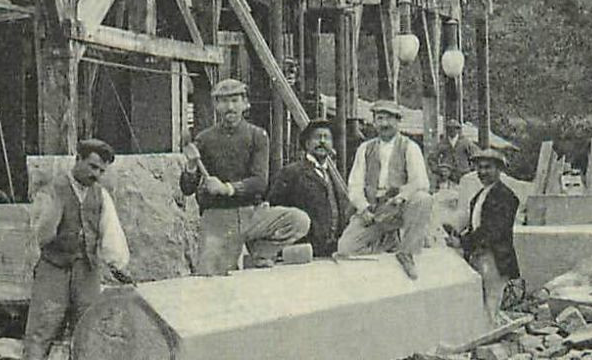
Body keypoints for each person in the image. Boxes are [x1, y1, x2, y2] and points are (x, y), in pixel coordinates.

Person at [18, 138, 130, 360]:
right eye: (92, 167)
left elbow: (110, 233)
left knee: (85, 337)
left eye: (101, 171)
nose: (96, 174)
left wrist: (118, 265)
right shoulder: (53, 190)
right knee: (39, 336)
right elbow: (39, 236)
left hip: (87, 272)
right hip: (54, 270)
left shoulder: (100, 196)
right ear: (77, 159)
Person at [179, 78, 308, 275]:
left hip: (252, 214)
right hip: (217, 218)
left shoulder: (258, 135)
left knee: (299, 221)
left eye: (234, 100)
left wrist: (226, 188)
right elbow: (187, 188)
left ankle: (260, 251)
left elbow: (259, 182)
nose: (230, 107)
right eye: (223, 101)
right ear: (215, 105)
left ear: (245, 104)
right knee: (210, 279)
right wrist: (190, 167)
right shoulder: (204, 139)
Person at [340, 99, 434, 280]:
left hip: (398, 207)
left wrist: (402, 197)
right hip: (375, 209)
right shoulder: (365, 149)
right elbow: (355, 185)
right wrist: (363, 208)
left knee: (423, 198)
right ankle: (387, 241)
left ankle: (407, 252)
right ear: (374, 122)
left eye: (389, 119)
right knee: (345, 248)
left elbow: (420, 181)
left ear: (398, 122)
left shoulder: (410, 147)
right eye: (380, 118)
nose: (384, 124)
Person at [445, 148, 520, 320]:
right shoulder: (481, 195)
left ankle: (491, 340)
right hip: (479, 255)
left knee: (491, 303)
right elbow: (476, 226)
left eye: (488, 167)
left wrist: (462, 243)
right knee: (480, 302)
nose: (482, 172)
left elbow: (493, 231)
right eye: (479, 168)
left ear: (499, 170)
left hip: (494, 257)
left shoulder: (505, 196)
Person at [267, 118, 352, 259]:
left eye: (327, 138)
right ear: (307, 144)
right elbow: (275, 208)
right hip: (303, 251)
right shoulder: (291, 172)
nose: (322, 142)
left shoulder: (333, 175)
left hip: (331, 251)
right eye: (317, 138)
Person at [429, 117, 478, 187]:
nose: (452, 130)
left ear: (458, 130)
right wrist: (438, 170)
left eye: (455, 128)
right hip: (448, 175)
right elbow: (432, 158)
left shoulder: (465, 142)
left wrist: (471, 170)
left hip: (463, 174)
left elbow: (476, 155)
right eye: (449, 128)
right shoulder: (442, 143)